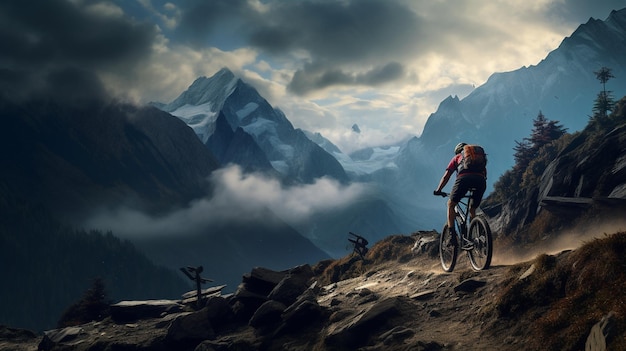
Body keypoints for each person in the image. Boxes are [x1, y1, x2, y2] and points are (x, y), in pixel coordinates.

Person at [434, 142, 487, 242]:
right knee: (472, 209)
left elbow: (446, 176)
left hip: (464, 180)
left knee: (450, 204)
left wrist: (439, 190)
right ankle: (474, 236)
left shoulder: (457, 157)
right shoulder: (477, 158)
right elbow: (484, 173)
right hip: (480, 181)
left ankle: (452, 235)